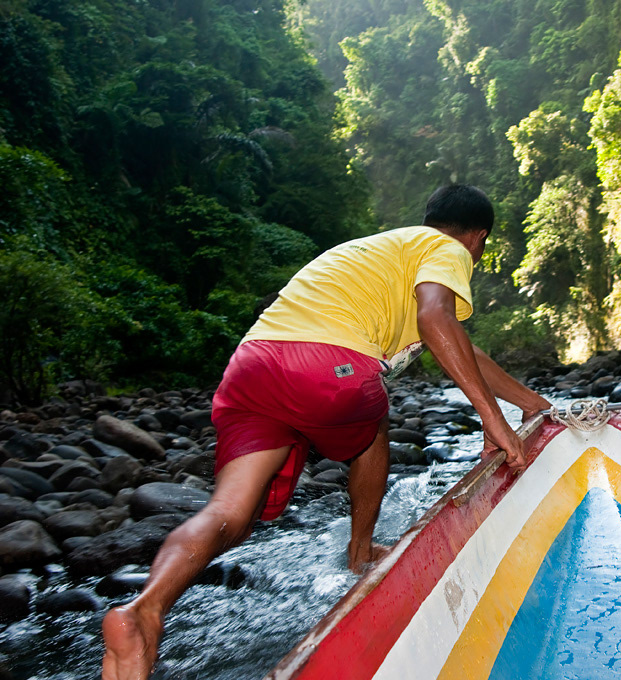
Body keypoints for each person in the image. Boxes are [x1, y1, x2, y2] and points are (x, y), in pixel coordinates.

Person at [101, 184, 551, 680]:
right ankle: (360, 553)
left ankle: (145, 608)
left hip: (253, 365)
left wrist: (533, 405)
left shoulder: (380, 252)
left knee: (230, 512)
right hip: (324, 362)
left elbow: (462, 349)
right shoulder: (446, 248)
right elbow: (436, 318)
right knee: (374, 420)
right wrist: (493, 419)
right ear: (477, 238)